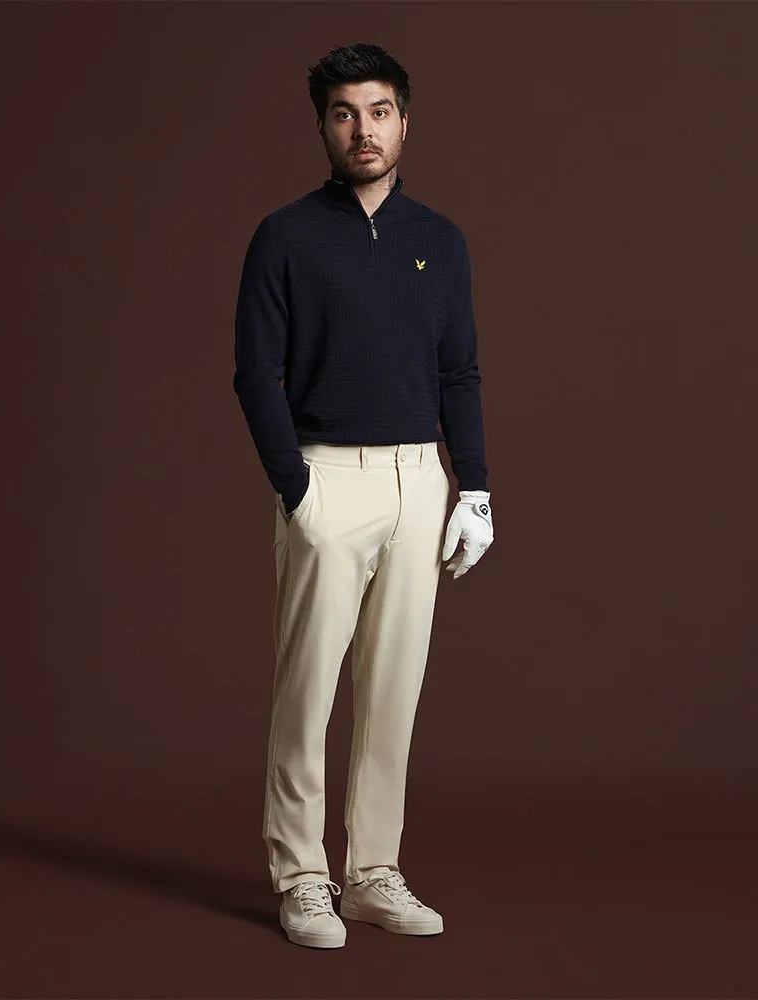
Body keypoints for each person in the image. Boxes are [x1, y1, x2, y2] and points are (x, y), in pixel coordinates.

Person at [232, 42, 494, 949]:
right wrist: (295, 487)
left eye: (379, 111)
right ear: (323, 127)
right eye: (345, 114)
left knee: (394, 690)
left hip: (420, 482)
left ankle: (373, 873)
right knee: (307, 691)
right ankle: (303, 879)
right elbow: (255, 374)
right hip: (326, 479)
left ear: (404, 121)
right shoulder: (286, 236)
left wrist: (475, 489)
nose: (363, 130)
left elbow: (459, 371)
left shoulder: (441, 241)